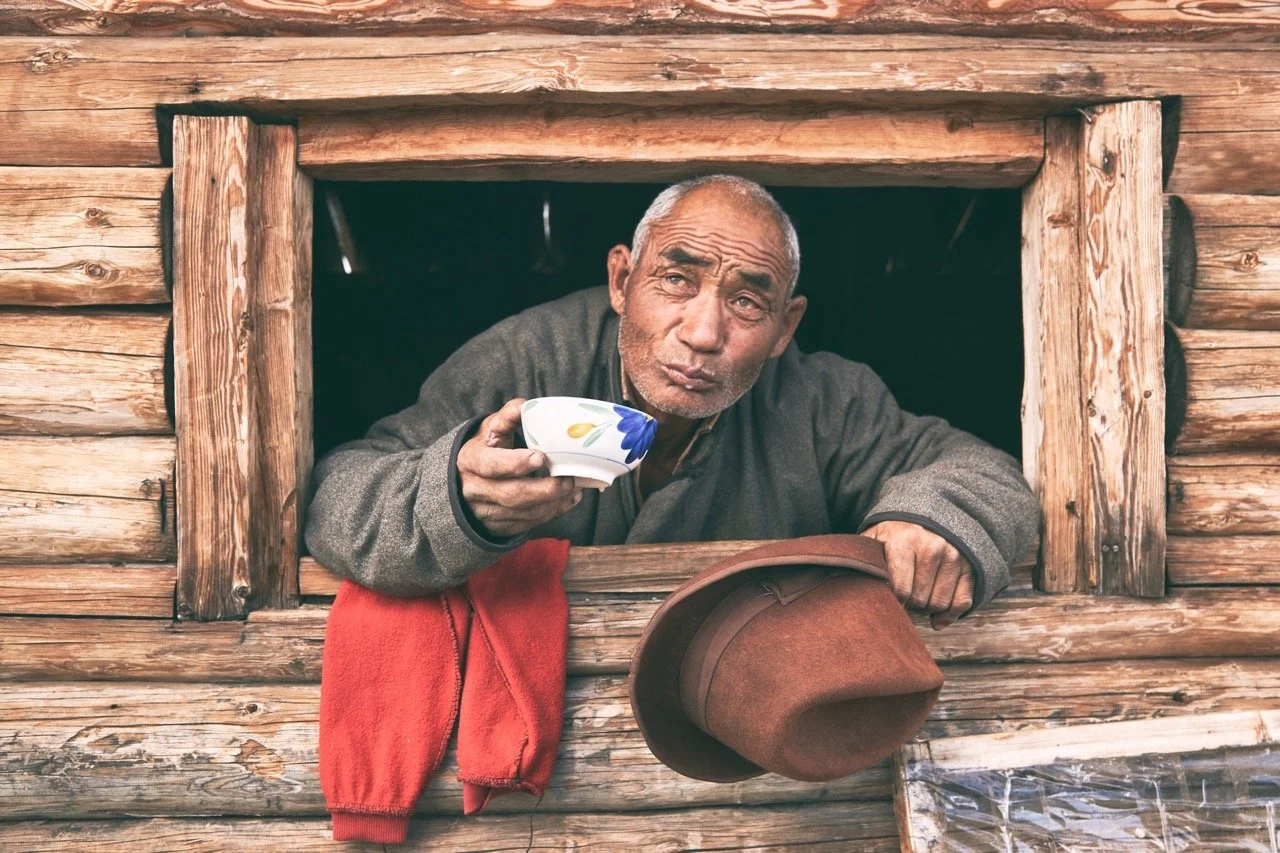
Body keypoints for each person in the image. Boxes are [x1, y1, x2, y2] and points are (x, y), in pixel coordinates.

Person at [303, 174, 1039, 629]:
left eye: (749, 301)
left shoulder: (821, 399)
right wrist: (455, 498)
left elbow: (982, 471)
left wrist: (930, 518)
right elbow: (340, 493)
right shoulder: (531, 355)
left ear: (786, 327)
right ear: (622, 281)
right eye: (676, 281)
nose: (704, 332)